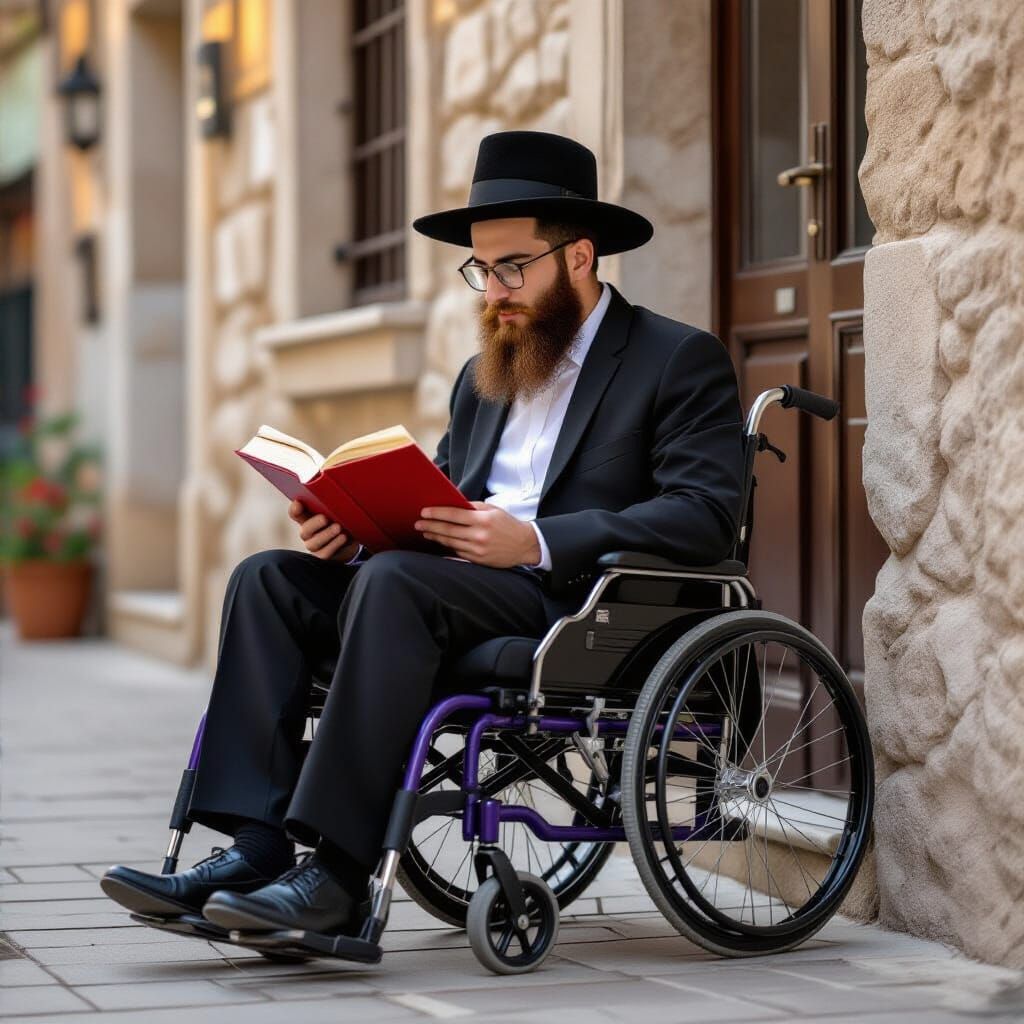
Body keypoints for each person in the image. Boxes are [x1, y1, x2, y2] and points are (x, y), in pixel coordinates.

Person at [100, 130, 746, 940]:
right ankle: (258, 847)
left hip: (579, 605)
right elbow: (438, 501)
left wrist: (538, 541)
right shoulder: (486, 377)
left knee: (394, 585)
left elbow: (706, 512)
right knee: (268, 580)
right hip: (444, 589)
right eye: (481, 269)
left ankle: (336, 875)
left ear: (579, 257)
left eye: (513, 266)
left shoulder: (676, 359)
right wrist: (354, 531)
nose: (493, 292)